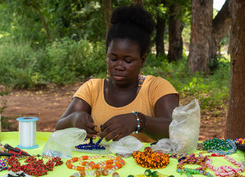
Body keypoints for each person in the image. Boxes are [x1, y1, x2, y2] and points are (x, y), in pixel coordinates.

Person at [55, 5, 179, 143]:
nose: (118, 66)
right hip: (101, 164)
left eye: (127, 60)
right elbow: (59, 127)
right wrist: (74, 119)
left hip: (148, 164)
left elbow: (176, 129)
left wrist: (138, 121)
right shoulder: (92, 89)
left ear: (142, 60)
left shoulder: (157, 88)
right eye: (113, 58)